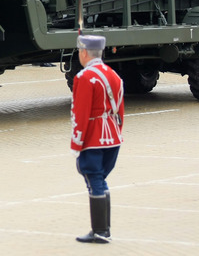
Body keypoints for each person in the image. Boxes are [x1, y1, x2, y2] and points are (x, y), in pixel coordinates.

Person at [70, 34, 124, 244]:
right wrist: (118, 132)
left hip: (93, 137)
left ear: (84, 53)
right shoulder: (114, 75)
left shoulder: (85, 77)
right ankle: (104, 229)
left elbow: (80, 114)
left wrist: (76, 142)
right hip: (113, 136)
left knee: (94, 179)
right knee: (100, 180)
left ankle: (100, 231)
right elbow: (120, 109)